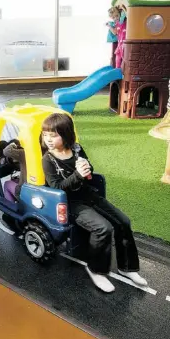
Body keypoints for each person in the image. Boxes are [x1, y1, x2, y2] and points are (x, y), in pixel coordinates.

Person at [41, 113, 146, 293]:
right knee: (103, 228)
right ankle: (96, 269)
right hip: (70, 203)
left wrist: (86, 166)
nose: (49, 140)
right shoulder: (48, 160)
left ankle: (127, 267)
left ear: (66, 134)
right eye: (45, 135)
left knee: (123, 222)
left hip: (89, 195)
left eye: (54, 135)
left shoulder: (76, 148)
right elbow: (57, 187)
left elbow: (90, 170)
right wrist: (77, 175)